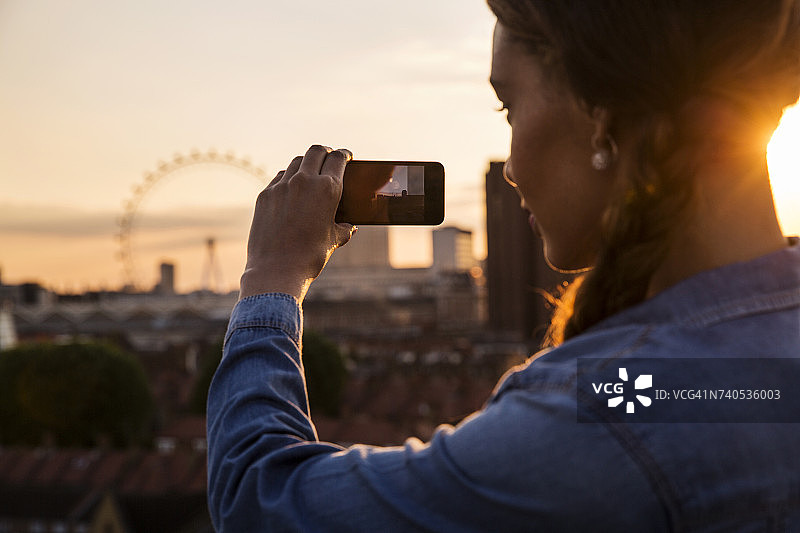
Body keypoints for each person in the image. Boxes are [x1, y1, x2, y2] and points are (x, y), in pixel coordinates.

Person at [207, 1, 800, 531]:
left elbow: (261, 499)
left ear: (600, 111)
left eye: (508, 106)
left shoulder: (605, 417)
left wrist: (272, 277)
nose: (511, 167)